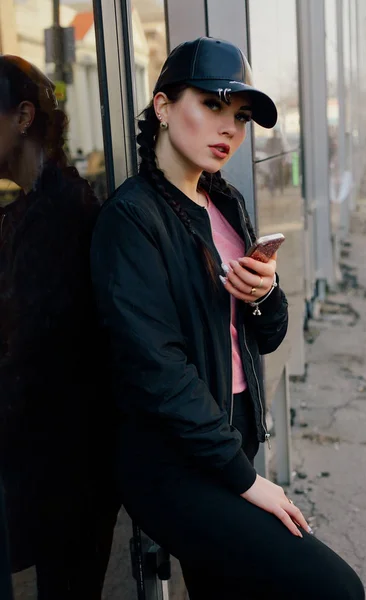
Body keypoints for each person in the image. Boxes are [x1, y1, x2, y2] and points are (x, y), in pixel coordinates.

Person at [91, 37, 365, 599]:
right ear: (163, 107)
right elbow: (158, 372)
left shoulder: (227, 203)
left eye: (238, 117)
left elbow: (267, 335)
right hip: (174, 462)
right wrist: (247, 482)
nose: (230, 130)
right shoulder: (131, 219)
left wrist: (263, 294)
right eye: (212, 105)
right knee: (334, 588)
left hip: (231, 434)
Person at [0, 55, 117, 599]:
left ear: (23, 117)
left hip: (65, 466)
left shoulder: (59, 213)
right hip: (56, 460)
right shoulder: (36, 206)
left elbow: (33, 351)